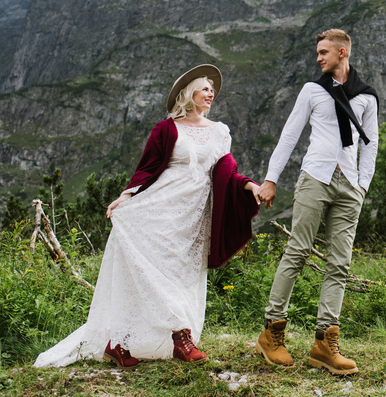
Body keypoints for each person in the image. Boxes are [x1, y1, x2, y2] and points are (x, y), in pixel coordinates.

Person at [34, 64, 260, 369]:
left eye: (212, 90)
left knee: (182, 274)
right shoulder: (166, 129)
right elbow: (147, 168)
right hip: (161, 205)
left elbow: (226, 171)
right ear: (188, 92)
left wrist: (249, 186)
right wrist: (126, 197)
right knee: (152, 271)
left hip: (194, 214)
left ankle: (120, 342)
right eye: (205, 88)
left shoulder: (220, 132)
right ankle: (179, 338)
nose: (211, 93)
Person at [255, 29, 379, 376]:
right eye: (318, 52)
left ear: (342, 52)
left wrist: (362, 186)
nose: (318, 58)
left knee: (339, 264)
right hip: (315, 179)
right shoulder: (312, 90)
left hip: (349, 186)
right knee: (297, 252)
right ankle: (272, 334)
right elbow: (290, 134)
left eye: (324, 52)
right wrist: (270, 179)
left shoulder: (367, 96)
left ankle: (325, 344)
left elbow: (371, 144)